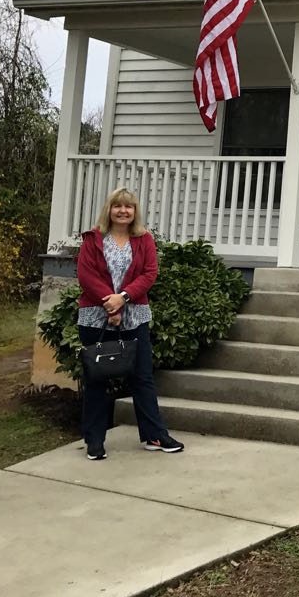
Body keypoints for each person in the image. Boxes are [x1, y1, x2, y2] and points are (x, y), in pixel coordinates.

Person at [76, 187, 184, 460]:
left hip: (135, 318)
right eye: (117, 206)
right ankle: (95, 440)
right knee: (97, 380)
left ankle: (154, 435)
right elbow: (85, 274)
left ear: (135, 211)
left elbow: (150, 273)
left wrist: (122, 298)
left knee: (142, 378)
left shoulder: (144, 239)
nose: (123, 211)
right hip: (95, 318)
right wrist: (109, 304)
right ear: (109, 210)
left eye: (129, 207)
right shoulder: (93, 239)